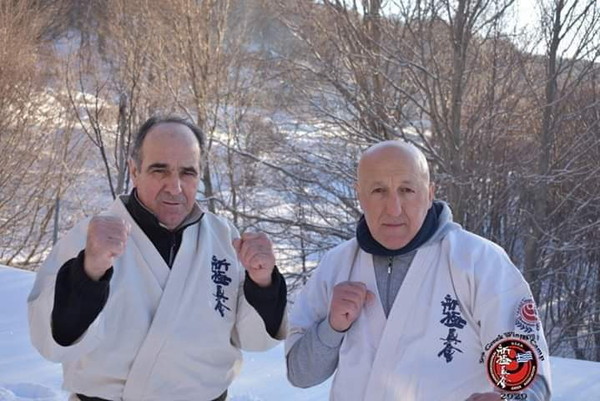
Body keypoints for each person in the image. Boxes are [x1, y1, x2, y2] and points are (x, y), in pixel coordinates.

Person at [28, 116, 287, 401]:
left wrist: (263, 282)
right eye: (159, 170)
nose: (175, 187)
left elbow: (253, 338)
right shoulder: (90, 238)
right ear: (134, 170)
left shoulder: (224, 238)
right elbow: (52, 342)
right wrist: (89, 273)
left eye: (187, 172)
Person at [286, 141, 551, 401]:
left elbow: (530, 375)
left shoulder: (479, 261)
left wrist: (510, 399)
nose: (394, 209)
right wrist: (332, 327)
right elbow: (300, 374)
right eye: (378, 190)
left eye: (407, 190)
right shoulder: (337, 265)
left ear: (429, 193)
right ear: (360, 195)